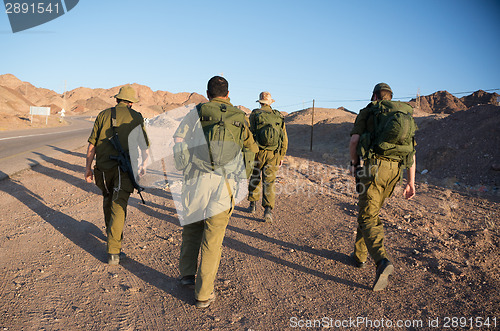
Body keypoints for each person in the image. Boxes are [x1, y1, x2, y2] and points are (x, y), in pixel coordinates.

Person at [174, 76, 258, 308]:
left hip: (196, 180)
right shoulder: (240, 117)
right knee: (213, 238)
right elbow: (251, 148)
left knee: (192, 228)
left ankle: (186, 275)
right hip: (225, 183)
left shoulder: (198, 111)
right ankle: (203, 294)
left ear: (208, 93)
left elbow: (179, 138)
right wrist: (243, 175)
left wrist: (183, 165)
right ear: (228, 93)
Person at [349, 82, 416, 291]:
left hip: (374, 168)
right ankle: (359, 256)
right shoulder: (403, 115)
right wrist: (411, 181)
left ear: (375, 96)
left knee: (368, 216)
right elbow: (411, 153)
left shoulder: (369, 112)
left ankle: (381, 261)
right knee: (370, 209)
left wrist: (354, 164)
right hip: (394, 172)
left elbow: (354, 141)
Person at [85, 85, 149, 266]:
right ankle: (114, 251)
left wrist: (87, 168)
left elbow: (92, 145)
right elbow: (144, 147)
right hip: (124, 170)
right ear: (131, 103)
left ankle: (111, 234)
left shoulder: (103, 115)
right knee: (119, 205)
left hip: (103, 169)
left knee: (108, 198)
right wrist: (143, 164)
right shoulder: (136, 117)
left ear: (117, 100)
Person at [247, 92, 288, 222]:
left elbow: (250, 133)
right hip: (273, 154)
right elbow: (284, 138)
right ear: (270, 103)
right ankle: (268, 210)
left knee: (255, 176)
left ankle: (253, 205)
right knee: (269, 181)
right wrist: (281, 155)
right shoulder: (278, 116)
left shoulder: (254, 114)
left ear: (260, 102)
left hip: (257, 152)